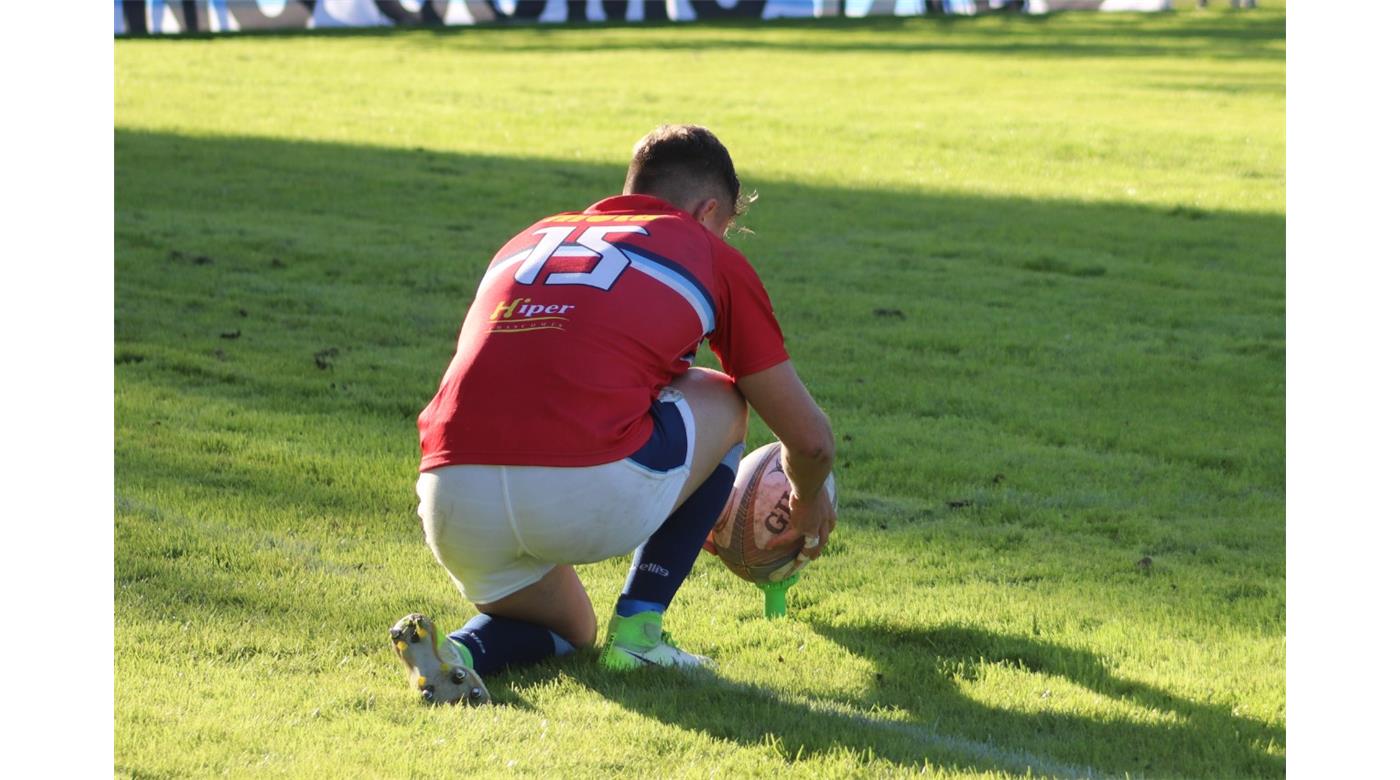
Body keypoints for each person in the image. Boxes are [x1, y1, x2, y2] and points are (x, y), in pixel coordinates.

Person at [391, 125, 837, 705]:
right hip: (581, 490)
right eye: (727, 228)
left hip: (451, 494)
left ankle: (457, 653)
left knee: (570, 632)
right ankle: (641, 631)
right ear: (708, 213)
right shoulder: (706, 251)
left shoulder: (531, 236)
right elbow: (811, 441)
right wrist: (808, 498)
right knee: (727, 397)